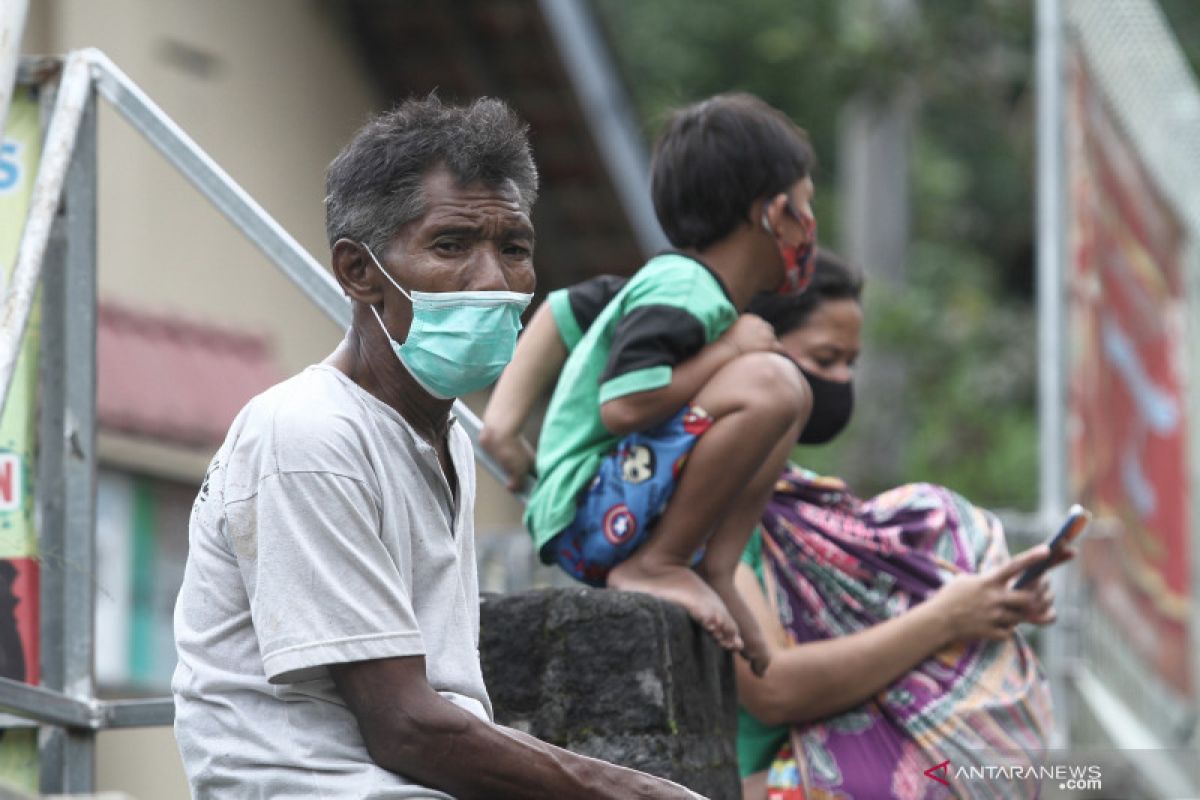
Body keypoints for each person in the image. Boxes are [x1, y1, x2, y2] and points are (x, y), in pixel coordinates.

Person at [172, 96, 705, 799]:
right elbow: (406, 726)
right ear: (360, 273)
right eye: (452, 246)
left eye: (513, 248)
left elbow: (441, 711)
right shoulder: (307, 435)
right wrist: (637, 792)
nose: (493, 281)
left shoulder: (442, 436)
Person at [735, 251, 1067, 800]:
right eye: (825, 357)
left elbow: (877, 636)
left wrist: (991, 604)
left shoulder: (808, 504)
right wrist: (947, 616)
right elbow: (775, 690)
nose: (839, 381)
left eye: (850, 363)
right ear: (759, 349)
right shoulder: (718, 513)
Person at [511, 93, 818, 674]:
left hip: (617, 496)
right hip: (586, 505)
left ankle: (716, 568)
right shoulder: (683, 288)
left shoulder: (697, 293)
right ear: (772, 213)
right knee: (772, 382)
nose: (809, 227)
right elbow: (625, 403)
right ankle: (660, 561)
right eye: (804, 206)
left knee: (790, 393)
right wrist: (729, 351)